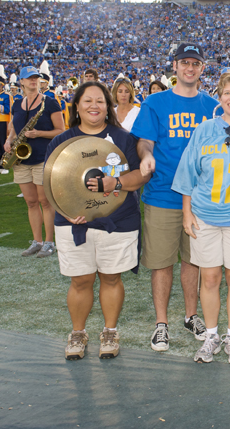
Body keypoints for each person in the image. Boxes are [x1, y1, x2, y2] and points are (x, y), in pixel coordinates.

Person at [46, 81, 150, 360]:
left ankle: (110, 330)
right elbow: (52, 184)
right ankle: (78, 333)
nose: (94, 106)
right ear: (77, 106)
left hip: (117, 220)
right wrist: (65, 209)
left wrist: (114, 181)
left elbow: (142, 175)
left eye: (100, 102)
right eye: (88, 101)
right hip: (74, 222)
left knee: (111, 277)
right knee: (80, 280)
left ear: (108, 107)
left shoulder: (123, 138)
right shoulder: (61, 141)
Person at [172, 72, 230, 365]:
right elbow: (188, 174)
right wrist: (187, 213)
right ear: (219, 96)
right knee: (210, 278)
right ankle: (212, 335)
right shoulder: (203, 130)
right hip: (205, 214)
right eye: (227, 93)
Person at [131, 42, 219, 351]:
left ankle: (191, 315)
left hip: (202, 199)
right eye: (184, 62)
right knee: (162, 263)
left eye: (195, 63)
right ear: (175, 66)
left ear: (202, 68)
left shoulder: (212, 105)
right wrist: (145, 157)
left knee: (194, 262)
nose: (190, 67)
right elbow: (145, 142)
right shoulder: (155, 102)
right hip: (163, 195)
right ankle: (161, 322)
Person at [6, 66, 65, 257]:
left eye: (36, 78)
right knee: (31, 202)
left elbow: (61, 130)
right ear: (21, 82)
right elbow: (14, 127)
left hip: (43, 157)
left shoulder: (50, 103)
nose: (33, 81)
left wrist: (38, 133)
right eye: (29, 78)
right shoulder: (17, 104)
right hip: (22, 159)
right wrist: (9, 140)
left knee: (45, 202)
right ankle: (36, 241)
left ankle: (49, 242)